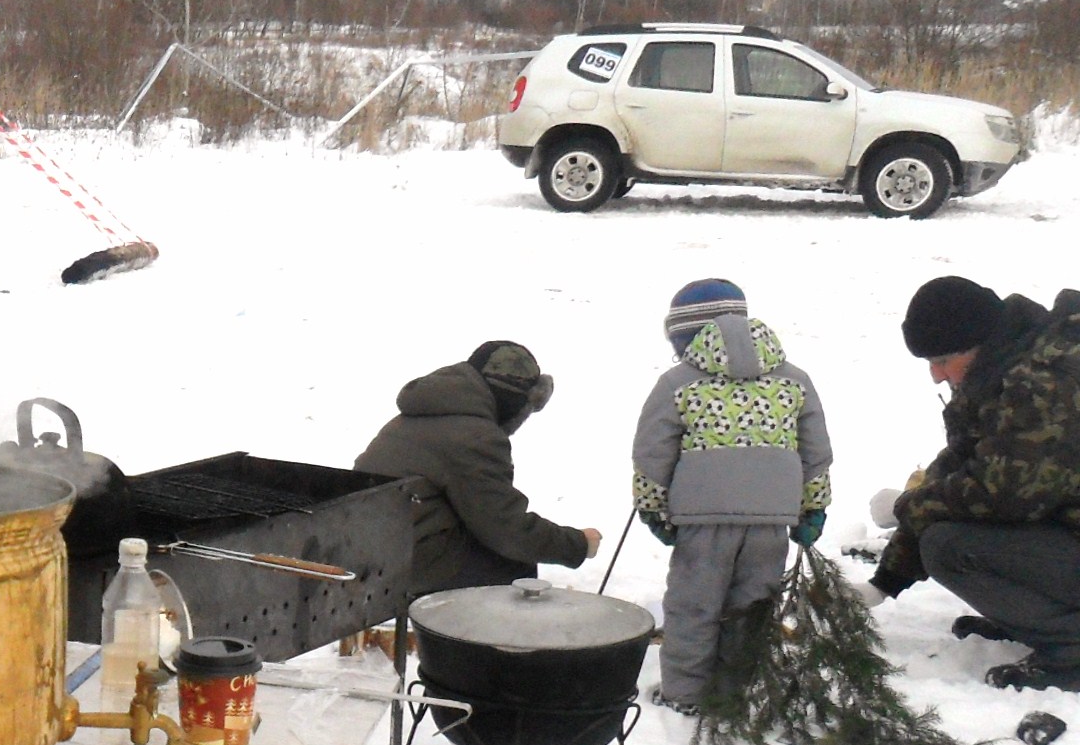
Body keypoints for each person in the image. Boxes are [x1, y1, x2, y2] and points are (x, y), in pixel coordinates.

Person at [865, 275, 1080, 692]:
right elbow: (958, 469)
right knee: (951, 527)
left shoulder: (1045, 381)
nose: (936, 375)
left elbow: (1004, 495)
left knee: (950, 547)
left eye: (942, 360)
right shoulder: (1001, 371)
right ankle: (1038, 623)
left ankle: (1071, 647)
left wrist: (905, 505)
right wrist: (885, 582)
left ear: (976, 345)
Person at [629, 280, 832, 710]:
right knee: (751, 608)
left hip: (703, 521)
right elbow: (815, 453)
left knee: (693, 608)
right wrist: (812, 506)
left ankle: (685, 694)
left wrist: (652, 507)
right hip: (771, 522)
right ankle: (735, 694)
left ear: (685, 336)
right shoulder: (795, 381)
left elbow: (652, 452)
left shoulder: (677, 383)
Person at [356, 340, 600, 596]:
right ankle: (451, 623)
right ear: (514, 405)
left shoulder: (420, 413)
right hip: (403, 563)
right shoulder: (476, 437)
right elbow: (507, 529)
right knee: (513, 565)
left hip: (364, 547)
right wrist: (578, 544)